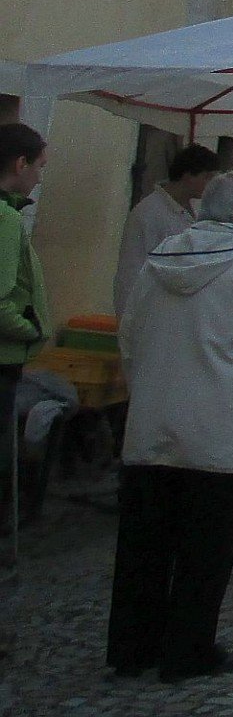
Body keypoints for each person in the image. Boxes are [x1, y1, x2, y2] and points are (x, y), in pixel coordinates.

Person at [108, 171, 233, 683]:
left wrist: (144, 389)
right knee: (205, 547)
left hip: (152, 423)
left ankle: (132, 647)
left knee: (144, 544)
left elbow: (130, 334)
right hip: (220, 427)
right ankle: (187, 649)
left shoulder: (159, 262)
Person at [2, 123, 54, 528]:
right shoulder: (5, 219)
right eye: (38, 166)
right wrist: (31, 330)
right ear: (20, 164)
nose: (39, 176)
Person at [113, 143, 218, 319]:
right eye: (206, 177)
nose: (210, 183)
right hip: (150, 313)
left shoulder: (195, 212)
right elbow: (131, 271)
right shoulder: (148, 213)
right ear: (187, 175)